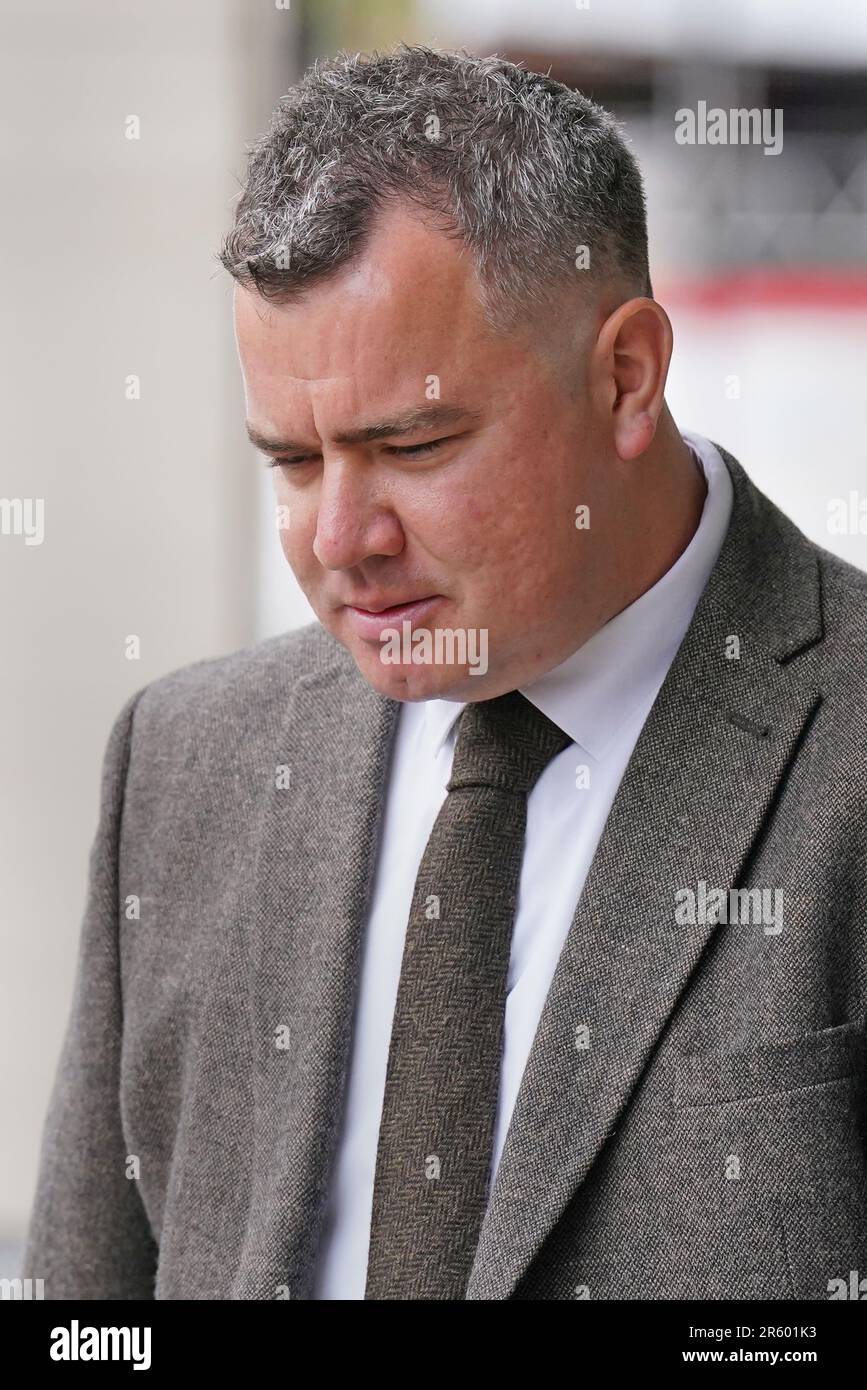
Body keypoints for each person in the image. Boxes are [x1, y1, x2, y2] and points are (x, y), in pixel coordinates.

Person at [23, 44, 867, 1301]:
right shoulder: (187, 758)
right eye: (294, 464)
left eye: (412, 443)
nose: (336, 540)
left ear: (626, 375)